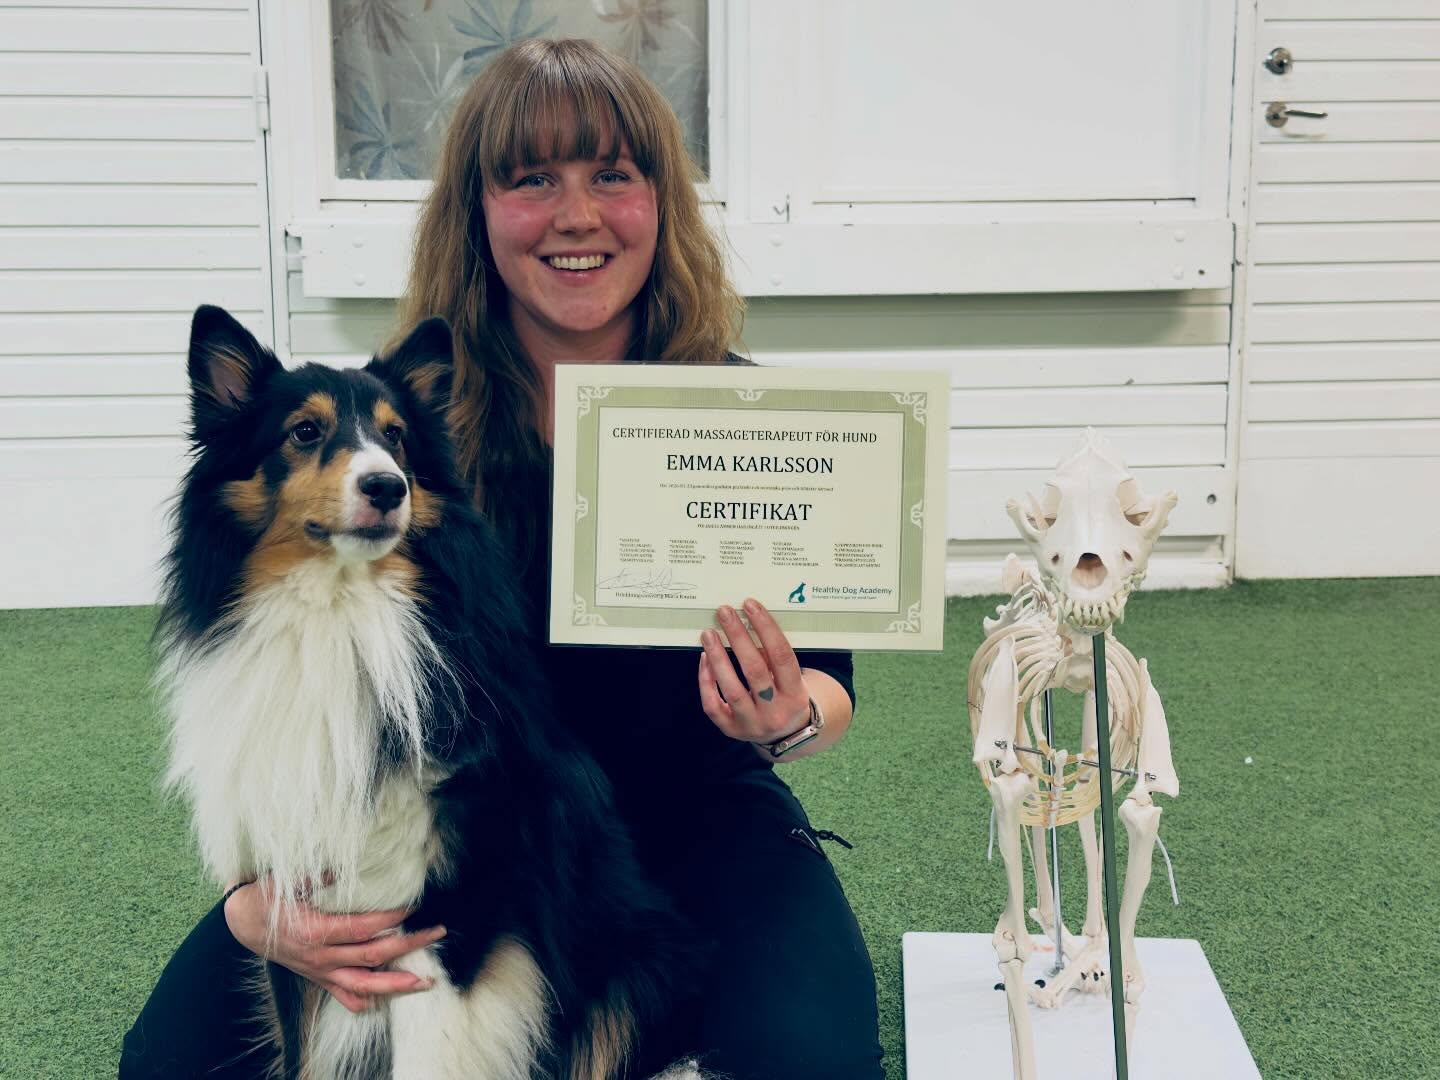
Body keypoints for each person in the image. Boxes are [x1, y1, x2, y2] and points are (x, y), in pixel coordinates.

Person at [122, 38, 883, 1080]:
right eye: (532, 179)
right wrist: (259, 901)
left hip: (697, 820)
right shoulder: (411, 432)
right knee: (167, 1065)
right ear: (477, 212)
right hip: (450, 830)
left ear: (661, 204)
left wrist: (783, 717)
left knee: (811, 1064)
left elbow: (829, 683)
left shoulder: (749, 417)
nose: (577, 215)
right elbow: (290, 697)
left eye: (612, 175)